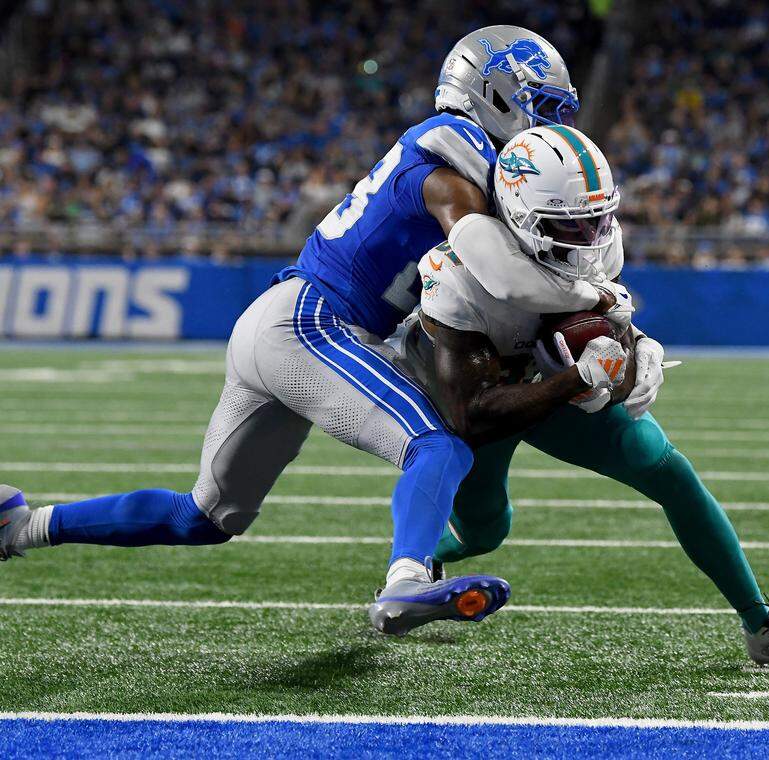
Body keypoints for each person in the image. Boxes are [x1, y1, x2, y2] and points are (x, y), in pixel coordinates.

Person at [0, 26, 636, 638]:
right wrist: (599, 295)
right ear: (493, 95)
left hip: (286, 322)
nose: (552, 125)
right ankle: (408, 578)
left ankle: (21, 526)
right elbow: (501, 273)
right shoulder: (451, 152)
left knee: (206, 517)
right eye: (543, 107)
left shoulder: (454, 156)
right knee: (439, 447)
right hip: (312, 322)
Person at [377, 124, 769, 667]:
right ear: (521, 216)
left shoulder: (592, 242)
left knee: (666, 469)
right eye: (570, 224)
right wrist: (578, 378)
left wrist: (638, 344)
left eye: (596, 219)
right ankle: (423, 564)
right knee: (486, 528)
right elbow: (474, 413)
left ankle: (762, 626)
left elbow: (598, 316)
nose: (590, 237)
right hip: (476, 398)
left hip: (549, 379)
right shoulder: (460, 275)